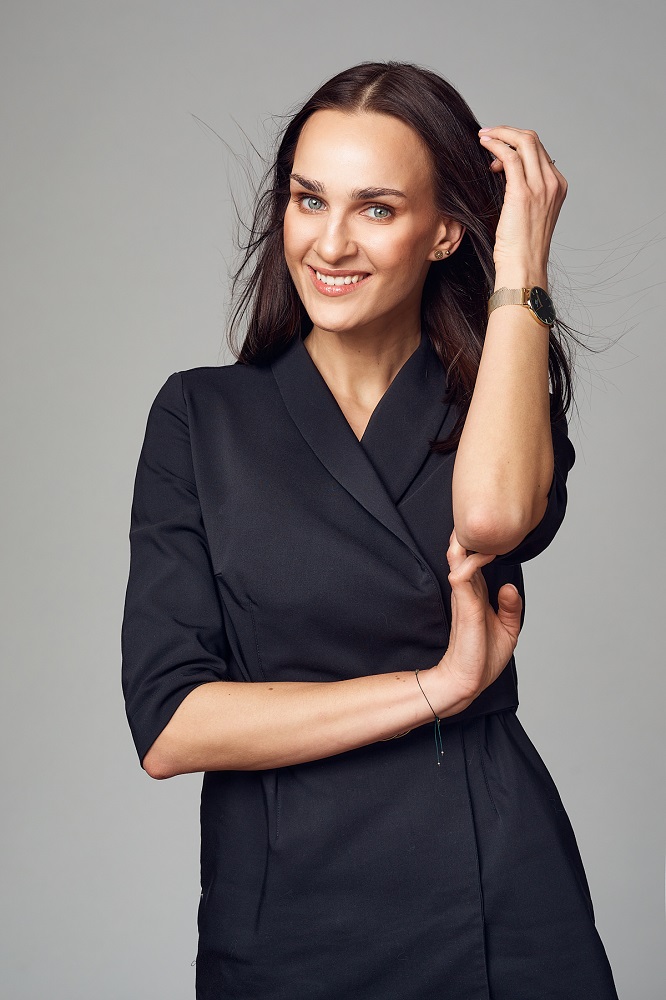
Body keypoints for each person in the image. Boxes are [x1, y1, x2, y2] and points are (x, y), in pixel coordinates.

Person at [121, 61, 619, 999]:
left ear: (445, 233)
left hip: (496, 898)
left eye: (377, 209)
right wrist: (438, 687)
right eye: (309, 200)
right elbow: (171, 726)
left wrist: (522, 272)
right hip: (287, 914)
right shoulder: (201, 417)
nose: (330, 243)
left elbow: (491, 516)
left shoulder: (497, 401)